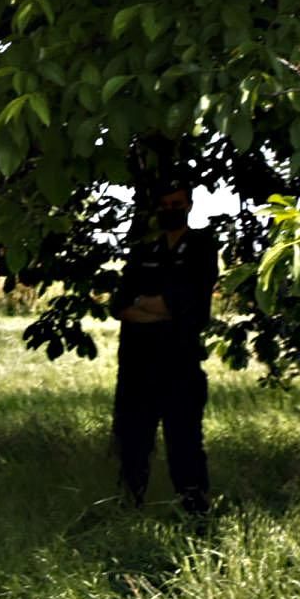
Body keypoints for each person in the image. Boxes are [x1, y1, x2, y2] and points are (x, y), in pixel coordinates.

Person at [110, 183, 219, 513]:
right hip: (137, 364)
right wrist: (156, 308)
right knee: (132, 440)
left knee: (184, 442)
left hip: (180, 364)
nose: (171, 208)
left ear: (189, 205)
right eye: (165, 203)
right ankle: (129, 504)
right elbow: (120, 304)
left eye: (177, 203)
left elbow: (193, 304)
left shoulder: (201, 246)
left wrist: (150, 306)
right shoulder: (144, 251)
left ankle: (196, 510)